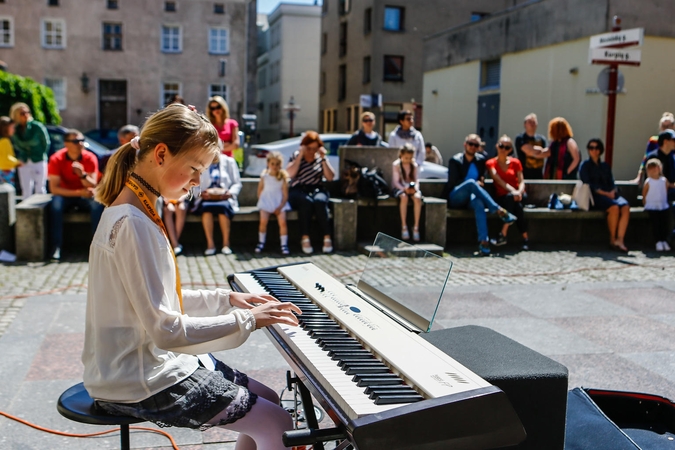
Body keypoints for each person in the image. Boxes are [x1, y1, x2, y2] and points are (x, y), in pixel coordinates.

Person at [85, 103, 300, 450]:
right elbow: (166, 330)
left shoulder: (135, 208)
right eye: (195, 168)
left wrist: (227, 299)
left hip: (141, 364)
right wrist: (246, 320)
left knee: (271, 399)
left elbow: (161, 298)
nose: (198, 181)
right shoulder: (133, 223)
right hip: (136, 379)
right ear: (160, 154)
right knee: (278, 423)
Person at [444, 133, 517, 256]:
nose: (473, 147)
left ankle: (484, 242)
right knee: (471, 183)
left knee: (479, 203)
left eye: (476, 145)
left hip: (472, 198)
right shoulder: (455, 160)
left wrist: (481, 182)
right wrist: (475, 184)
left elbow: (483, 176)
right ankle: (498, 210)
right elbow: (453, 182)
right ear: (465, 145)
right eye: (470, 144)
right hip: (456, 196)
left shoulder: (480, 160)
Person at [47, 129, 104, 261]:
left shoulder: (90, 157)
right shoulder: (56, 159)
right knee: (56, 204)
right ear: (66, 144)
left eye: (82, 140)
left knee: (97, 204)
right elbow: (54, 189)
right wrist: (79, 192)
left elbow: (92, 184)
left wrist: (82, 174)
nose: (80, 144)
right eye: (76, 141)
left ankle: (97, 248)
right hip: (66, 194)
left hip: (85, 195)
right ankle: (56, 247)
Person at [286, 131, 336, 254]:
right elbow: (290, 174)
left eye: (315, 148)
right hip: (298, 189)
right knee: (306, 202)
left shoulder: (320, 158)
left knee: (319, 201)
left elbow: (330, 177)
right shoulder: (296, 155)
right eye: (309, 148)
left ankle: (327, 237)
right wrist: (300, 156)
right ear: (304, 146)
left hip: (317, 188)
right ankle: (305, 237)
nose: (311, 151)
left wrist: (324, 158)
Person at [579, 138, 630, 253]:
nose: (594, 150)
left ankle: (620, 239)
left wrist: (612, 191)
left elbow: (611, 181)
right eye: (591, 148)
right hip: (595, 197)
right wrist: (605, 193)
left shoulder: (605, 166)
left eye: (596, 148)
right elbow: (589, 184)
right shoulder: (585, 165)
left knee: (625, 206)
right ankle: (612, 239)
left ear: (600, 150)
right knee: (614, 208)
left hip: (610, 194)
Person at [485, 135, 529, 250]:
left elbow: (521, 180)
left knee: (515, 202)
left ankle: (503, 234)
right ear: (497, 146)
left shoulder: (516, 162)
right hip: (502, 196)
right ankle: (525, 238)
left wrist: (518, 191)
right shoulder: (491, 163)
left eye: (506, 147)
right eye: (501, 146)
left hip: (518, 195)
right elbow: (498, 179)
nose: (503, 149)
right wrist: (513, 192)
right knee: (517, 208)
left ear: (510, 149)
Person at [195, 152, 242, 255]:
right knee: (206, 209)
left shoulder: (229, 161)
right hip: (206, 198)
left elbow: (237, 183)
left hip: (224, 198)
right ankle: (210, 244)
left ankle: (226, 243)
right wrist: (201, 193)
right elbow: (194, 184)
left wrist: (230, 193)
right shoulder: (200, 161)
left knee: (223, 208)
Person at [9, 102, 50, 199]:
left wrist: (40, 154)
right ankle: (26, 213)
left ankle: (40, 212)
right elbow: (15, 145)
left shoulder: (37, 126)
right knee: (26, 190)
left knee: (40, 188)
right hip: (24, 160)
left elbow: (46, 143)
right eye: (22, 113)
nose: (26, 115)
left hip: (38, 159)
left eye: (27, 112)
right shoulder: (16, 129)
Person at [255, 151, 290, 255]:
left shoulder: (282, 178)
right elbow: (260, 191)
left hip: (279, 203)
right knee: (263, 221)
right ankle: (261, 242)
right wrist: (263, 202)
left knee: (282, 222)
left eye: (277, 164)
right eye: (272, 164)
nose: (275, 166)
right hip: (266, 203)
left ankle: (284, 244)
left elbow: (285, 195)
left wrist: (280, 206)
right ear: (268, 164)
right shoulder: (264, 177)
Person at [392, 144, 422, 242]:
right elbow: (396, 182)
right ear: (401, 155)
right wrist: (404, 188)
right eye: (406, 158)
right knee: (404, 197)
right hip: (400, 188)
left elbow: (416, 180)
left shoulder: (414, 165)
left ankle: (416, 227)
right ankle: (404, 225)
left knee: (417, 198)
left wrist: (415, 188)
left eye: (410, 158)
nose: (408, 160)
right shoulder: (396, 165)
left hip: (411, 188)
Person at [642, 158, 673, 251]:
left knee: (664, 223)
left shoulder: (664, 180)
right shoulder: (648, 181)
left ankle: (664, 241)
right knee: (656, 224)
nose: (654, 170)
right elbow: (644, 193)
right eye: (651, 168)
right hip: (652, 206)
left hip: (662, 205)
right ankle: (658, 241)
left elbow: (666, 190)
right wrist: (645, 203)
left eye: (656, 167)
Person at [634, 116, 675, 184]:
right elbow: (646, 159)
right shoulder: (653, 144)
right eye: (663, 126)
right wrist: (639, 176)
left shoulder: (670, 156)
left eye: (668, 126)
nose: (665, 128)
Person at [514, 113, 547, 179]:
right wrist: (539, 151)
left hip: (539, 175)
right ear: (525, 124)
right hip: (524, 175)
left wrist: (533, 153)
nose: (532, 124)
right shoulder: (520, 138)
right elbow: (528, 151)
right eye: (530, 122)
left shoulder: (542, 139)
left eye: (534, 122)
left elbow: (547, 153)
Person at [0, 116, 19, 186]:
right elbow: (6, 158)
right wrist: (17, 162)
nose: (14, 130)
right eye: (12, 127)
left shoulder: (3, 140)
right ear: (5, 128)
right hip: (5, 170)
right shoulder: (5, 141)